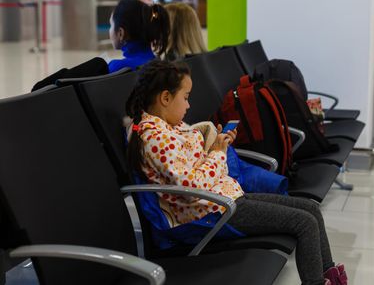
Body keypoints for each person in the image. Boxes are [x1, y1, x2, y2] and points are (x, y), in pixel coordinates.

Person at [126, 59, 347, 285]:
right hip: (211, 213)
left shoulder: (170, 127)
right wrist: (218, 153)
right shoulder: (155, 138)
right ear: (165, 98)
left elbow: (196, 165)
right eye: (186, 97)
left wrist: (216, 145)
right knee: (304, 223)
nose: (188, 105)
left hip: (224, 199)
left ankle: (331, 277)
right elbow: (192, 187)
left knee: (311, 209)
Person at [108, 0, 169, 73]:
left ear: (121, 33)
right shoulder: (159, 64)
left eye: (110, 25)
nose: (110, 30)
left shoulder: (116, 68)